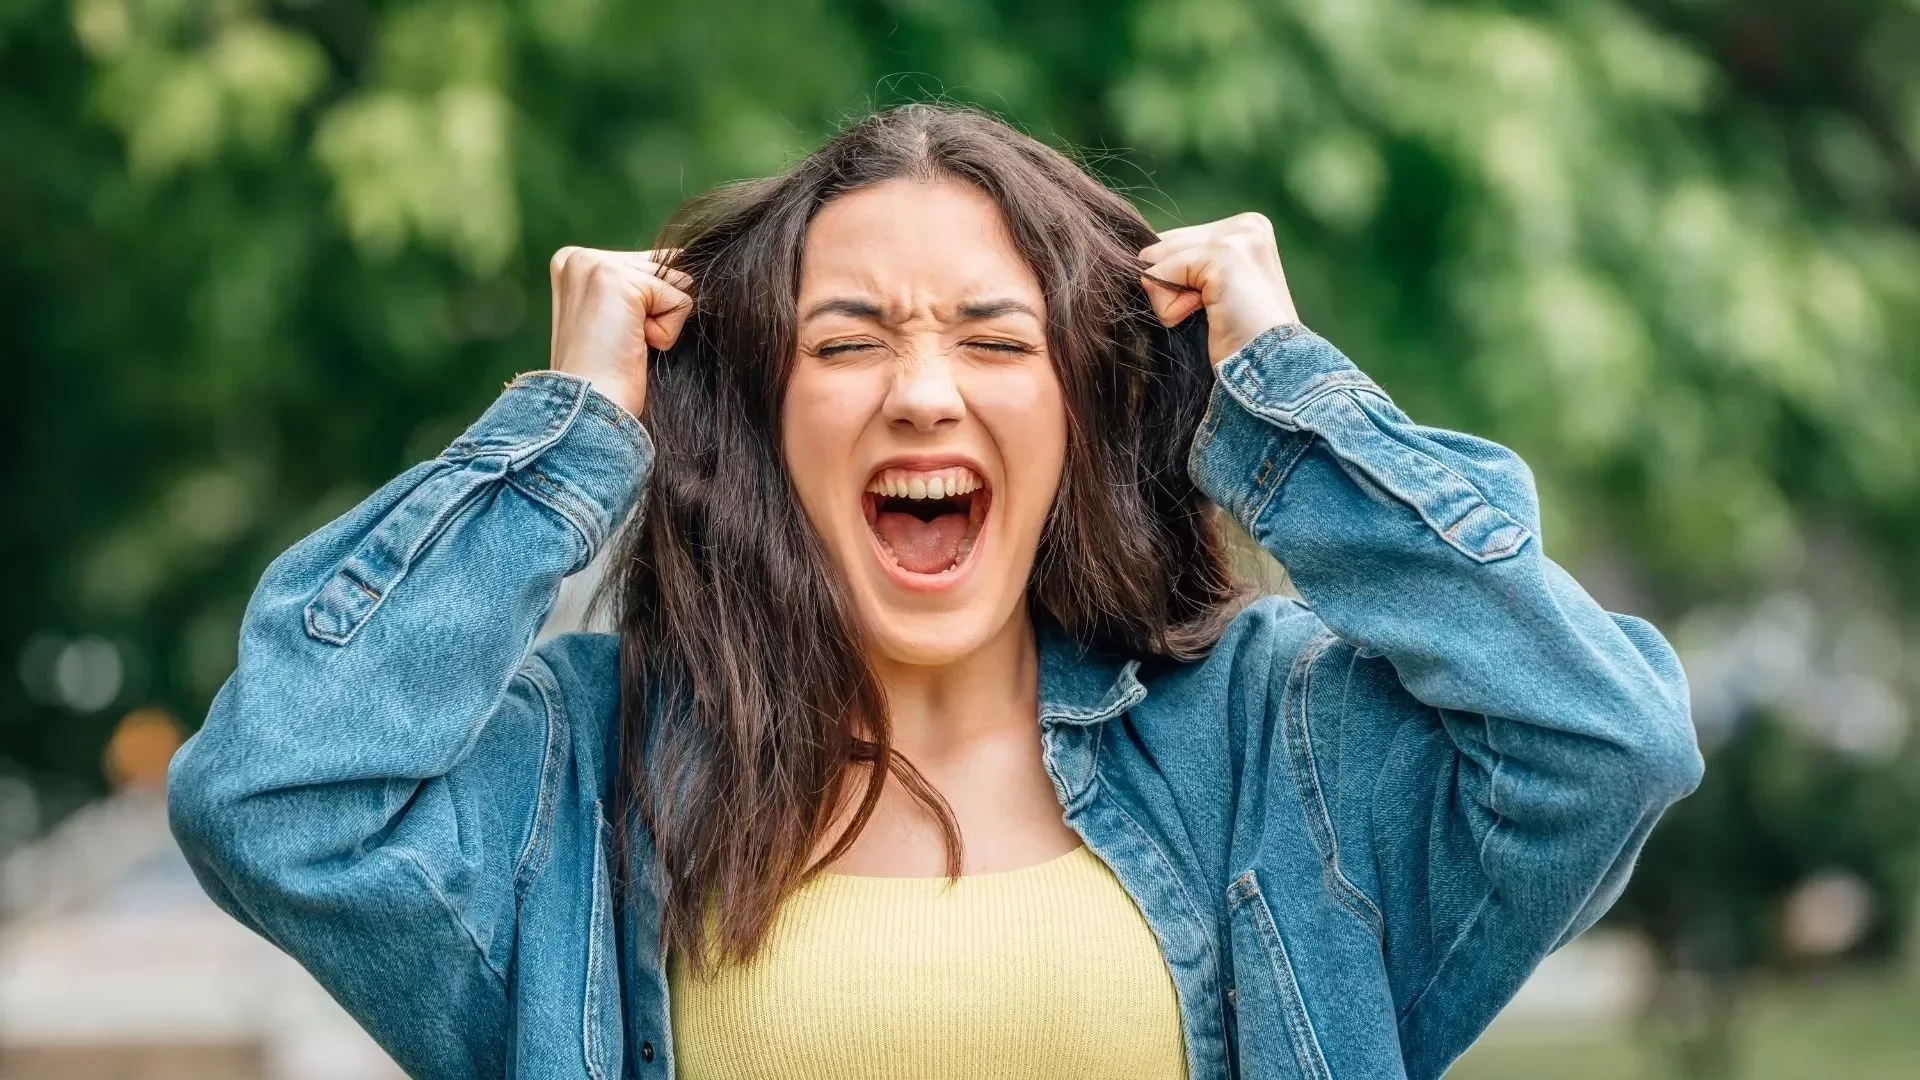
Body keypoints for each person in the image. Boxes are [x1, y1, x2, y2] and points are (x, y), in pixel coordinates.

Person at [167, 104, 1702, 1080]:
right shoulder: (582, 773)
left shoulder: (1275, 741)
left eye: (993, 337)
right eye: (845, 343)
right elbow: (272, 797)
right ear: (766, 420)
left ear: (1081, 405)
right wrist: (563, 442)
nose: (918, 392)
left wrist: (1288, 405)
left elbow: (1604, 744)